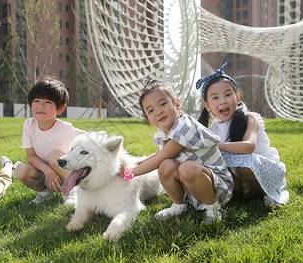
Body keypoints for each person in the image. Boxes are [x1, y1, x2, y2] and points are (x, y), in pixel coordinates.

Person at [122, 78, 233, 223]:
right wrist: (132, 164)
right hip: (193, 188)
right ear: (148, 119)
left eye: (163, 104)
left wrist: (130, 174)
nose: (159, 112)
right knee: (166, 165)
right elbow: (157, 156)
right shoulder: (164, 133)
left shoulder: (183, 127)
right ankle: (179, 205)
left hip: (217, 188)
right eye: (151, 110)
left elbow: (158, 159)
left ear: (177, 104)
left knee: (185, 168)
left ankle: (213, 208)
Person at [196, 62, 288, 207]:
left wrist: (217, 145)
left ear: (237, 97)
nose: (223, 101)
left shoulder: (250, 118)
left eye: (227, 94)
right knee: (220, 164)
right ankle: (243, 194)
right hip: (242, 173)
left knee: (245, 163)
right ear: (207, 106)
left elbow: (249, 147)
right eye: (215, 98)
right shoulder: (213, 128)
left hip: (266, 170)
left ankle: (267, 194)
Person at [13, 76, 86, 205]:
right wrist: (48, 171)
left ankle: (71, 191)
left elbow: (91, 138)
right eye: (36, 101)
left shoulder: (65, 128)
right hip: (45, 173)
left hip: (67, 173)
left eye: (47, 102)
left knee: (55, 156)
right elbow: (31, 156)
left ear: (60, 109)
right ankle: (45, 193)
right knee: (21, 170)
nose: (40, 106)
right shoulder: (29, 125)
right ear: (30, 104)